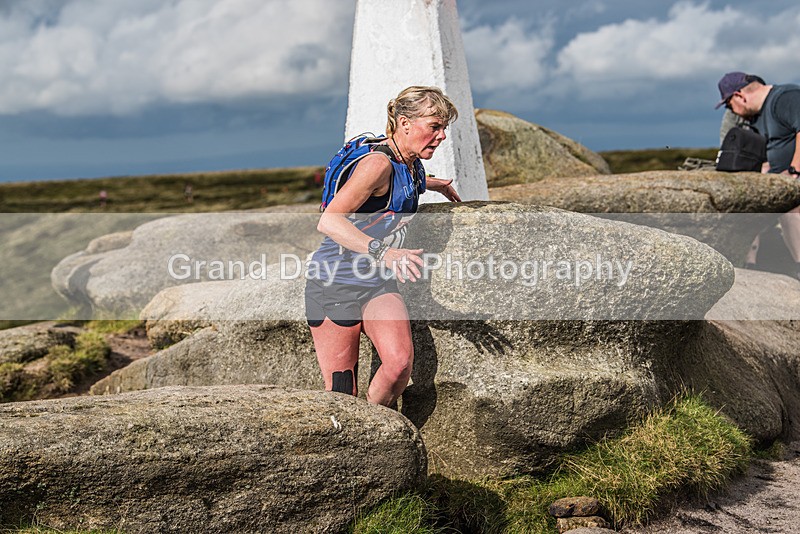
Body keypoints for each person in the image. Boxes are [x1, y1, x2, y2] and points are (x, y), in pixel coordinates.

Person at [305, 86, 461, 407]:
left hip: (375, 283)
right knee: (341, 393)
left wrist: (436, 183)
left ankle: (380, 433)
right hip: (334, 284)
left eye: (444, 127)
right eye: (434, 126)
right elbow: (330, 221)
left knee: (399, 364)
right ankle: (350, 447)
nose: (442, 135)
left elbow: (403, 181)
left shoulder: (411, 162)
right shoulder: (377, 165)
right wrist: (385, 252)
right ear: (404, 123)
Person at [715, 72, 800, 280]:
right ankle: (747, 269)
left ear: (739, 96)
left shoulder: (786, 97)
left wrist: (794, 171)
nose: (732, 112)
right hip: (779, 177)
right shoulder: (756, 118)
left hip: (793, 178)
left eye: (729, 105)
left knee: (789, 205)